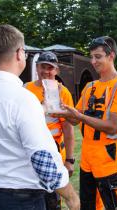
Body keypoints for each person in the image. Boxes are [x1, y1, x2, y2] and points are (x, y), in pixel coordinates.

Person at [0, 24, 80, 210]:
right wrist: (72, 197)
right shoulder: (24, 99)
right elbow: (42, 159)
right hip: (21, 198)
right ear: (20, 53)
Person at [53, 36, 117, 210]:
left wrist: (80, 117)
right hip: (87, 157)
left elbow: (112, 125)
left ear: (111, 55)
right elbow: (75, 120)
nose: (93, 61)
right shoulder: (90, 87)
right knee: (88, 206)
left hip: (109, 156)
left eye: (98, 56)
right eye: (92, 57)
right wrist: (59, 109)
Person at [24, 51, 75, 210]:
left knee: (52, 201)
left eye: (50, 68)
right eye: (42, 67)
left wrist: (69, 160)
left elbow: (68, 129)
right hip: (30, 154)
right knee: (32, 199)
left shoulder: (63, 92)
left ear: (56, 70)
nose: (46, 71)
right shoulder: (26, 89)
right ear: (37, 68)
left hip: (54, 155)